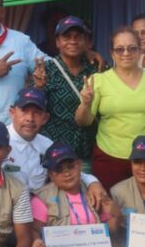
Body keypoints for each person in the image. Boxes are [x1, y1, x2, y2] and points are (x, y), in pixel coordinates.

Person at [0, 88, 108, 203]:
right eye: (24, 111)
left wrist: (93, 182)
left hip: (37, 216)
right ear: (12, 113)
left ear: (45, 118)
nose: (30, 119)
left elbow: (72, 170)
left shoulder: (46, 146)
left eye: (37, 113)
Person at [75, 26, 145, 191]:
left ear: (139, 50)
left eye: (132, 48)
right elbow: (83, 121)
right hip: (110, 158)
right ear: (112, 53)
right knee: (113, 210)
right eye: (120, 49)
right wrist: (85, 104)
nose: (126, 53)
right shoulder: (99, 80)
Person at [33, 15, 98, 164]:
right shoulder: (46, 70)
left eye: (78, 37)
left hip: (89, 149)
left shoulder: (96, 69)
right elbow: (34, 107)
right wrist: (38, 87)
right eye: (67, 37)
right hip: (55, 151)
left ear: (86, 41)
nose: (73, 41)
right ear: (57, 42)